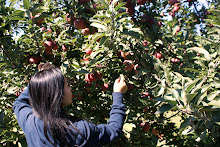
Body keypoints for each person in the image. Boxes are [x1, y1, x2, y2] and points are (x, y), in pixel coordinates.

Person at [13, 62, 128, 147]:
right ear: (58, 94)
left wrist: (42, 80)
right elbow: (113, 130)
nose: (71, 87)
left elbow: (19, 102)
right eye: (67, 85)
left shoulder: (30, 121)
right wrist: (118, 94)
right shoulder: (77, 130)